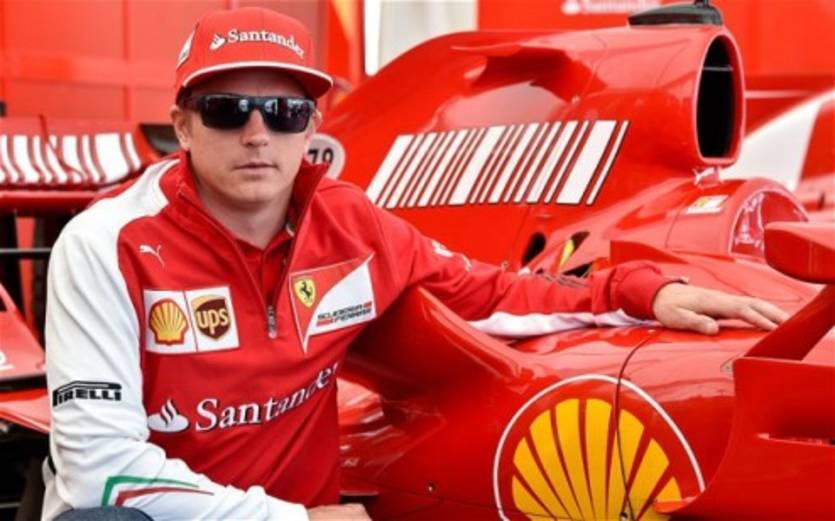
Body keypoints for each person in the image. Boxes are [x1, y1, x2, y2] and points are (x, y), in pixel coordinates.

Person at [42, 7, 787, 521]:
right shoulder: (105, 243)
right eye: (228, 110)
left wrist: (641, 290)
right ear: (181, 125)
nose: (258, 133)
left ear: (312, 126)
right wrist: (289, 519)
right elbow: (98, 467)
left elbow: (492, 293)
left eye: (286, 112)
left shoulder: (351, 223)